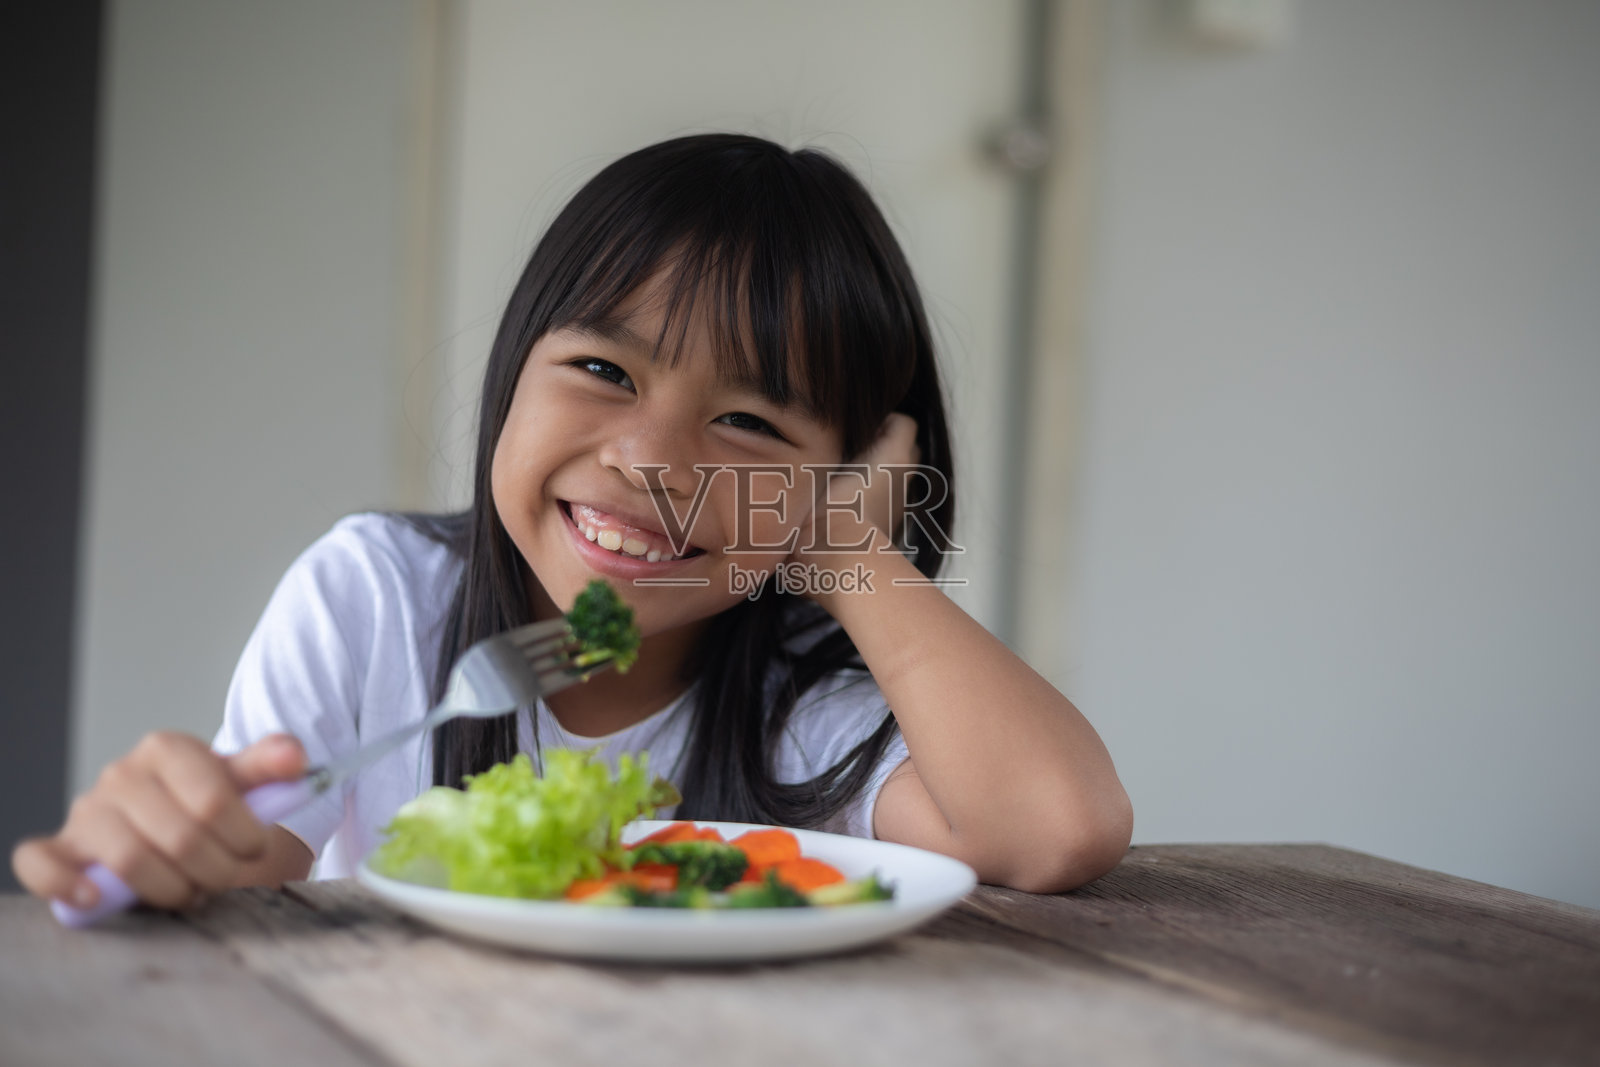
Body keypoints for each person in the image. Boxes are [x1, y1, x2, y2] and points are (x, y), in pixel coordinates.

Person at [13, 134, 1132, 911]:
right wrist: (177, 842)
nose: (648, 458)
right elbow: (254, 863)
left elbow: (1053, 826)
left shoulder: (797, 703)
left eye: (747, 422)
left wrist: (849, 551)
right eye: (602, 367)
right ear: (513, 368)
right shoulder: (376, 599)